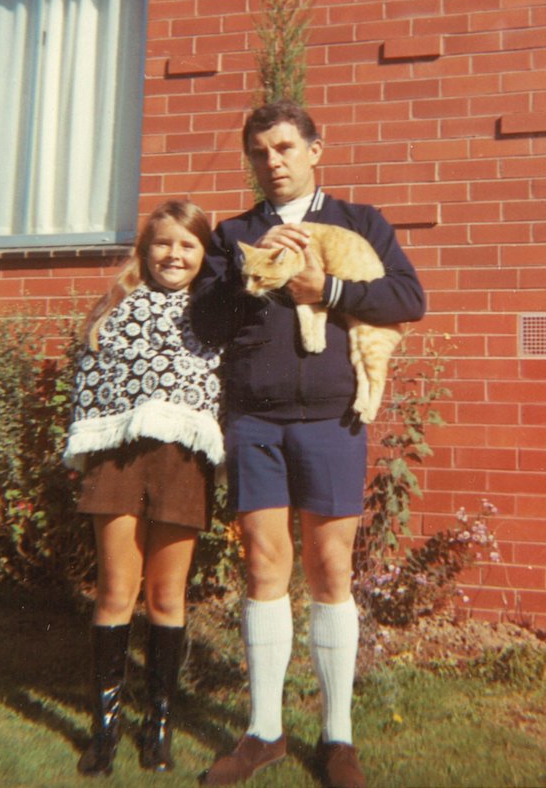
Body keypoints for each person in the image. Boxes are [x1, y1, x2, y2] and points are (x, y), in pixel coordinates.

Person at [190, 100, 426, 788]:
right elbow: (206, 324)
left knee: (330, 567)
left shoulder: (361, 222)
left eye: (287, 147)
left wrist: (324, 285)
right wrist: (243, 273)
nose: (274, 162)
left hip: (332, 420)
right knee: (264, 565)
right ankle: (264, 731)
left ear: (316, 150)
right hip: (256, 420)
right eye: (261, 152)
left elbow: (407, 299)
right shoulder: (232, 232)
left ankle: (337, 737)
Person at [63, 200, 224, 777]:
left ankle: (157, 724)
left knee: (166, 597)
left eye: (187, 245)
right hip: (119, 458)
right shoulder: (116, 307)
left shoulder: (213, 314)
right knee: (114, 592)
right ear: (145, 249)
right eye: (163, 243)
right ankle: (103, 729)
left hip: (183, 460)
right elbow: (90, 379)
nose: (174, 255)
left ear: (204, 254)